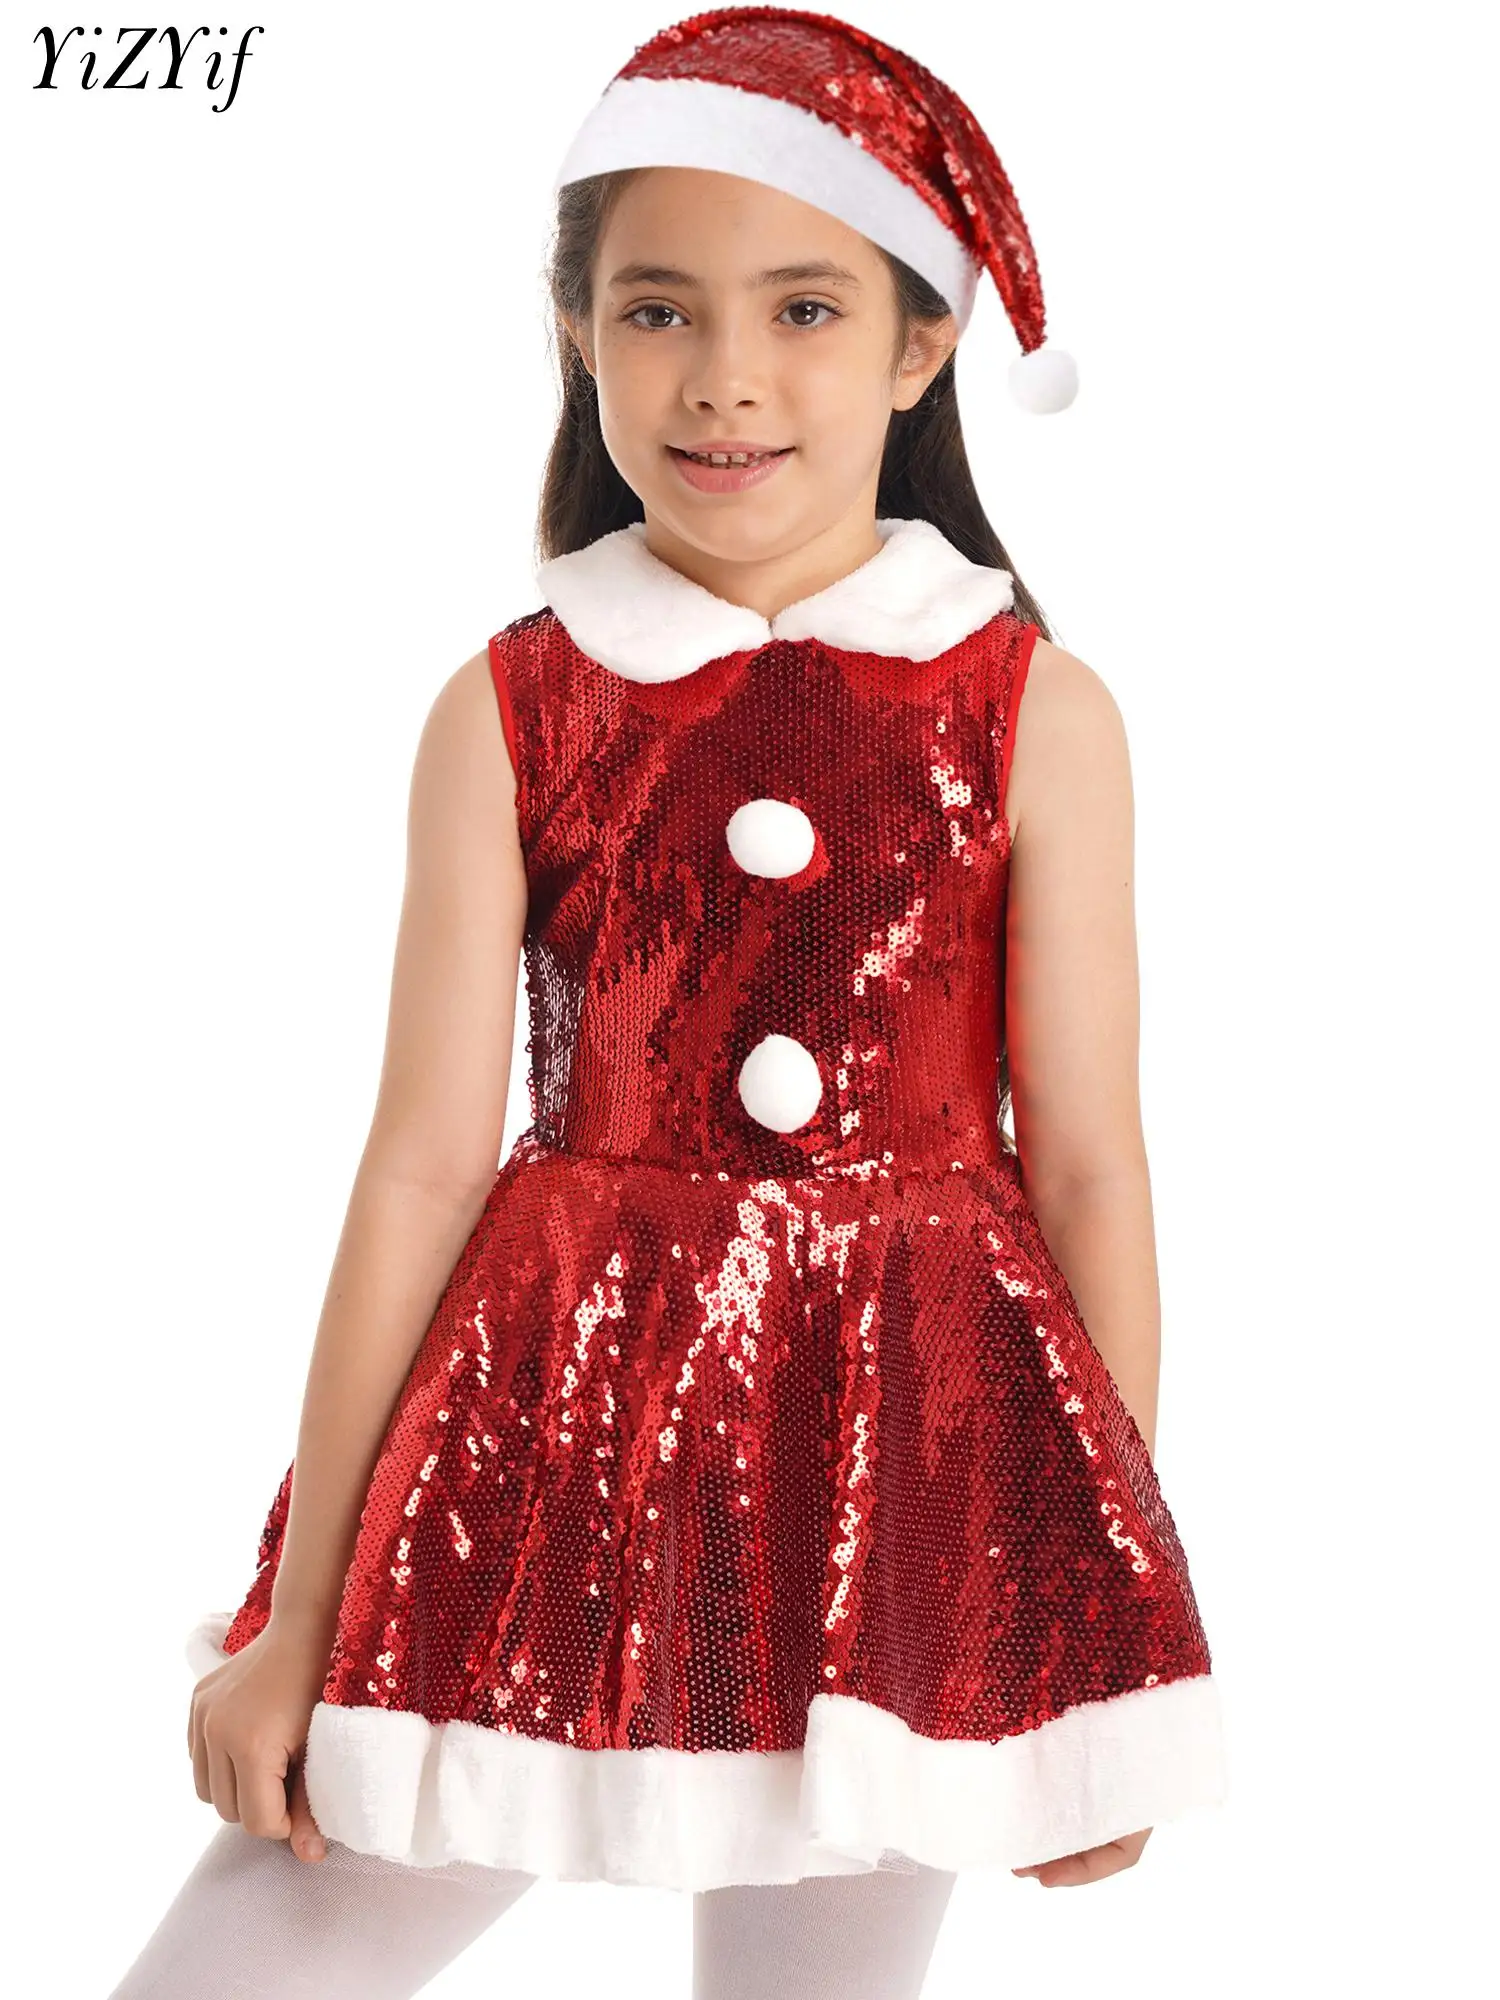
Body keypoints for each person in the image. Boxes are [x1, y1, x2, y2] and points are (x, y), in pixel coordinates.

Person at [108, 7, 1228, 1995]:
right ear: (577, 331)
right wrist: (296, 1618)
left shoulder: (1034, 712)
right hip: (536, 1454)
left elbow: (1088, 1172)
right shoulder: (515, 705)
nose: (724, 377)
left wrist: (1095, 1629)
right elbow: (421, 1167)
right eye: (655, 312)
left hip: (901, 1488)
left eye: (804, 308)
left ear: (921, 343)